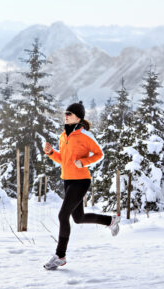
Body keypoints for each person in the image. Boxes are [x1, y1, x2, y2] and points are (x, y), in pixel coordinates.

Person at [43, 101, 120, 270]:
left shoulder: (85, 136)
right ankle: (110, 220)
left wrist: (84, 162)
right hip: (67, 179)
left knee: (63, 216)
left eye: (69, 113)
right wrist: (50, 153)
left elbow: (99, 154)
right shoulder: (64, 136)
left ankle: (60, 255)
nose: (66, 115)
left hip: (81, 181)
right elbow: (63, 159)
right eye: (65, 113)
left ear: (78, 117)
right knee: (77, 218)